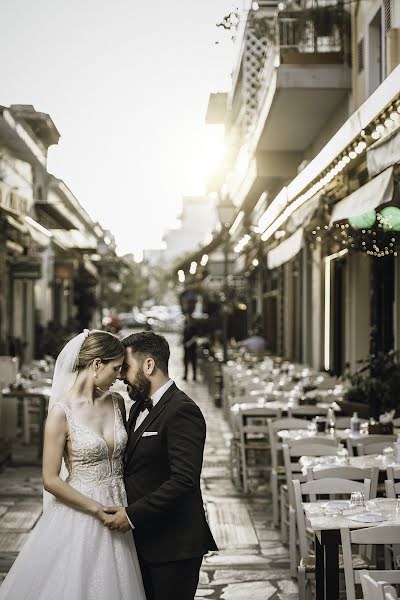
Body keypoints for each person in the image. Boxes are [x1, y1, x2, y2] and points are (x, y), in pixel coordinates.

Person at [0, 329, 146, 600]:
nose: (119, 376)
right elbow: (50, 479)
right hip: (82, 510)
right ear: (97, 364)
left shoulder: (117, 402)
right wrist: (97, 509)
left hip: (120, 504)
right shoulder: (60, 413)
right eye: (116, 368)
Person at [103, 331, 218, 600]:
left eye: (126, 368)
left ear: (149, 365)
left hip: (173, 545)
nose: (120, 376)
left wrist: (131, 515)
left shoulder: (182, 410)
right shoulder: (136, 407)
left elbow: (184, 480)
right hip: (142, 541)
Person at [182, 314, 198, 381]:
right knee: (185, 362)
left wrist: (189, 343)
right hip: (186, 348)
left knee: (193, 362)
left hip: (192, 348)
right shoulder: (186, 327)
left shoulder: (194, 327)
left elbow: (195, 337)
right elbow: (184, 337)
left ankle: (194, 376)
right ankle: (185, 375)